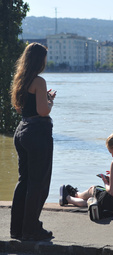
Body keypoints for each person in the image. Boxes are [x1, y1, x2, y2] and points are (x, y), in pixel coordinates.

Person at [10, 43, 55, 241]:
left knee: (24, 181)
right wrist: (49, 101)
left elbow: (21, 109)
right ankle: (31, 229)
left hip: (22, 131)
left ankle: (17, 229)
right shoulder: (39, 81)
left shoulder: (21, 79)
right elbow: (43, 111)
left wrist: (43, 99)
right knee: (39, 183)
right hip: (38, 133)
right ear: (40, 60)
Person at [59, 131, 113, 218]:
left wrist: (106, 182)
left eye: (111, 152)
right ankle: (71, 197)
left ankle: (72, 196)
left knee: (93, 189)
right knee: (95, 200)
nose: (112, 156)